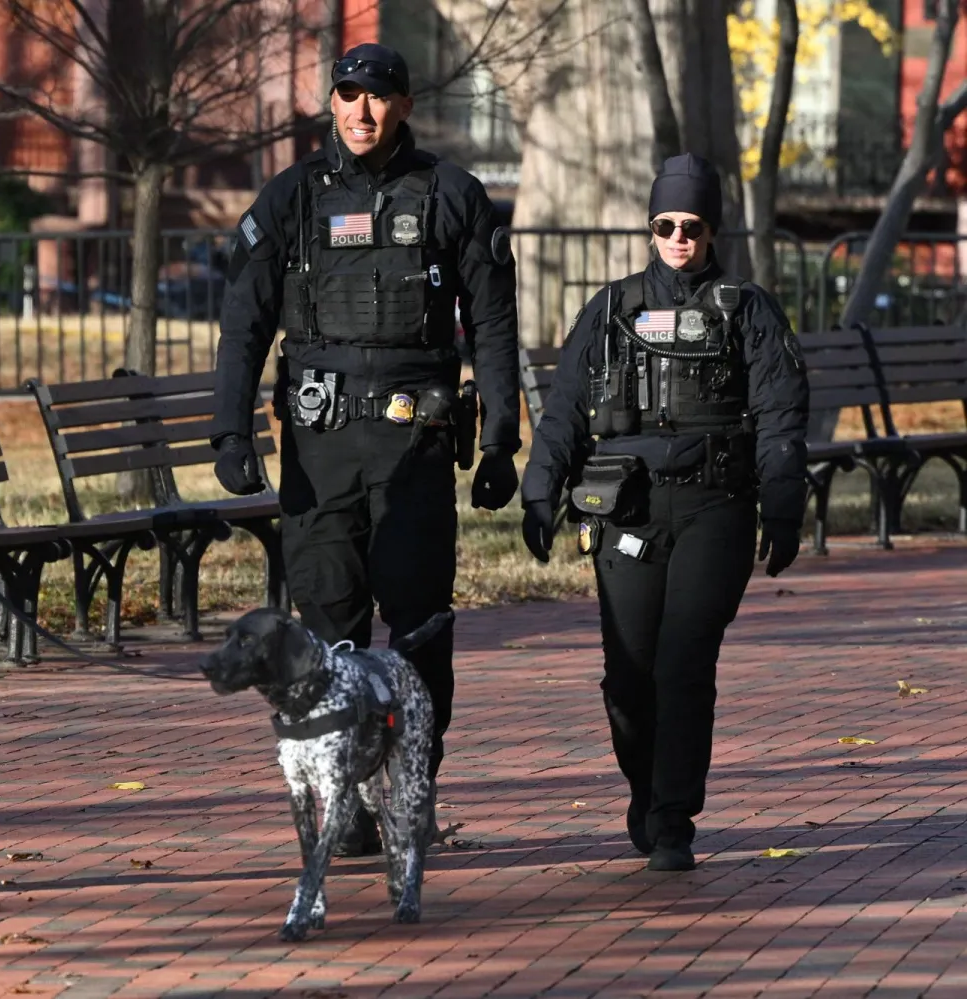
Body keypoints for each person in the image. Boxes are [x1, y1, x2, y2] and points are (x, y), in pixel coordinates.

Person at [211, 43, 522, 856]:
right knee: (326, 630)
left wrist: (499, 440)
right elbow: (244, 321)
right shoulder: (293, 200)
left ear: (404, 105)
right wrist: (230, 428)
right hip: (319, 451)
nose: (358, 111)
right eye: (345, 95)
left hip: (414, 448)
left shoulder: (452, 195)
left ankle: (411, 789)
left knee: (417, 633)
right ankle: (342, 794)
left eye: (375, 96)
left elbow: (492, 324)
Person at [520, 153, 809, 872]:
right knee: (627, 673)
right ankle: (646, 788)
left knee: (683, 662)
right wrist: (539, 489)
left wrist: (782, 505)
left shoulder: (747, 309)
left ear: (711, 229)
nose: (680, 237)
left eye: (693, 225)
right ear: (651, 228)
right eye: (666, 224)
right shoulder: (613, 309)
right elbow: (563, 412)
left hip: (717, 504)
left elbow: (780, 415)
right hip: (630, 508)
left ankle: (674, 814)